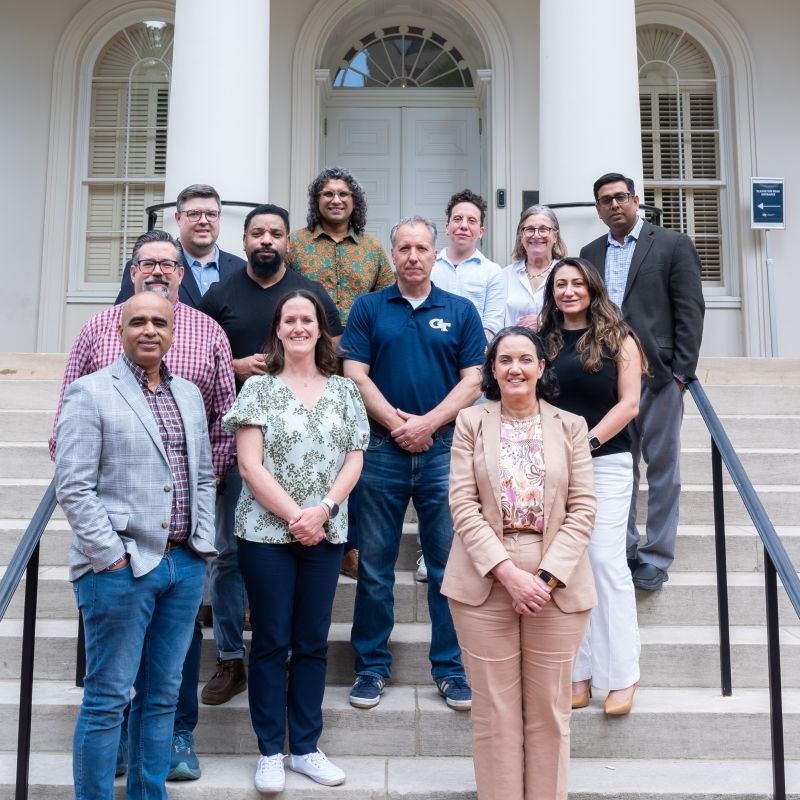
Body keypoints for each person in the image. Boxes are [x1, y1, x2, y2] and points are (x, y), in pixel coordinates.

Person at [49, 229, 236, 781]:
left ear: (174, 331)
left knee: (160, 699)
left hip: (181, 565)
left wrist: (201, 546)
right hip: (120, 567)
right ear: (121, 327)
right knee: (107, 700)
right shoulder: (92, 392)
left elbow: (203, 473)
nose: (149, 330)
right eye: (138, 322)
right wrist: (108, 555)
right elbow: (73, 485)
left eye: (160, 322)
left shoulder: (186, 395)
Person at [222, 289, 368, 793]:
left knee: (310, 643)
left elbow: (355, 457)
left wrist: (322, 510)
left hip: (326, 533)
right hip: (265, 535)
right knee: (269, 642)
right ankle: (270, 750)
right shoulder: (259, 389)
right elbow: (248, 464)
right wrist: (294, 516)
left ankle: (304, 747)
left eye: (308, 319)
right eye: (291, 320)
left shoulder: (346, 390)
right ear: (278, 330)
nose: (300, 327)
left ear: (321, 329)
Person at [443, 326, 597, 800]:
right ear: (492, 369)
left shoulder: (570, 425)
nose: (515, 368)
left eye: (525, 359)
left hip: (557, 578)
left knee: (550, 712)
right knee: (494, 714)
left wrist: (544, 578)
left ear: (541, 367)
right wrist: (508, 573)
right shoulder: (471, 423)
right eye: (505, 360)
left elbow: (583, 509)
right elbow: (463, 505)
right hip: (485, 576)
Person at [198, 204, 344, 706]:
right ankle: (232, 658)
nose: (266, 240)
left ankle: (283, 655)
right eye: (257, 232)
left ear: (288, 242)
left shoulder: (307, 291)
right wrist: (236, 365)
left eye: (275, 233)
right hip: (247, 440)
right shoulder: (221, 293)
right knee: (229, 553)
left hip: (304, 448)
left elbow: (335, 345)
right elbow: (199, 353)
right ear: (244, 240)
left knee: (298, 549)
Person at [341, 216, 486, 711]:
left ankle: (450, 669)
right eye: (403, 248)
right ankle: (371, 668)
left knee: (448, 566)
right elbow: (354, 374)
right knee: (375, 567)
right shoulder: (368, 307)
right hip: (381, 453)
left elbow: (473, 381)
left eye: (421, 248)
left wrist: (428, 425)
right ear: (393, 253)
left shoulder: (460, 310)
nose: (413, 257)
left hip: (444, 452)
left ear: (433, 251)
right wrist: (400, 426)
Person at [580, 173, 705, 590]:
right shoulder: (589, 252)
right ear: (598, 209)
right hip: (606, 377)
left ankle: (656, 555)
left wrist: (681, 375)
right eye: (604, 200)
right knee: (619, 465)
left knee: (663, 466)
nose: (613, 205)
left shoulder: (671, 245)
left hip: (657, 375)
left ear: (635, 200)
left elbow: (690, 310)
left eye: (620, 197)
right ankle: (625, 546)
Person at [540, 257, 646, 716]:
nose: (568, 291)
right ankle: (578, 674)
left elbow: (630, 404)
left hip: (606, 462)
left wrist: (587, 441)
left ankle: (621, 676)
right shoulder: (543, 340)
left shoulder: (619, 338)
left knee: (605, 562)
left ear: (592, 288)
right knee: (567, 568)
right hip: (552, 469)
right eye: (560, 284)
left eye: (576, 283)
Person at [287, 166, 394, 580]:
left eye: (344, 194)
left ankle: (350, 544)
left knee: (353, 454)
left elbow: (386, 300)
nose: (336, 200)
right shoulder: (295, 244)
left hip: (357, 366)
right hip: (303, 362)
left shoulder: (370, 249)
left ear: (355, 202)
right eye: (327, 193)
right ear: (317, 200)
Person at [115, 184, 246, 307]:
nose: (203, 221)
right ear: (178, 218)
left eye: (211, 214)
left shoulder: (242, 270)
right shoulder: (144, 266)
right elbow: (124, 317)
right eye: (194, 214)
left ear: (219, 218)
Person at [431, 188, 504, 339]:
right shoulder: (430, 266)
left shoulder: (492, 272)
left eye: (471, 221)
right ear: (447, 227)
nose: (464, 226)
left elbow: (492, 325)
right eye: (457, 219)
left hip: (473, 355)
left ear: (481, 231)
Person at [502, 204, 567, 329]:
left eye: (543, 229)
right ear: (521, 236)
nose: (536, 235)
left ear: (555, 236)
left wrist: (543, 322)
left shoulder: (567, 273)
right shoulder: (505, 275)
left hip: (556, 347)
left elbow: (578, 315)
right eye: (530, 229)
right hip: (513, 347)